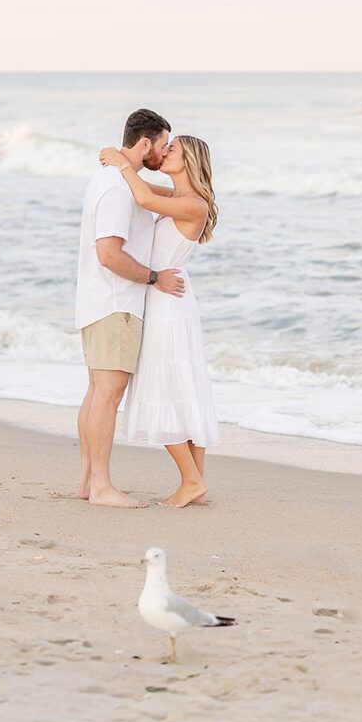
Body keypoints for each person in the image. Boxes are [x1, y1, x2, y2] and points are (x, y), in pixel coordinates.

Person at [99, 135, 219, 507]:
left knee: (164, 387)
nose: (164, 153)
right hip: (170, 298)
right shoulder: (178, 198)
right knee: (181, 387)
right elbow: (146, 190)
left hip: (169, 302)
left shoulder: (193, 204)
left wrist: (121, 163)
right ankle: (195, 481)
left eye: (173, 150)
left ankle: (190, 481)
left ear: (189, 160)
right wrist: (126, 168)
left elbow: (144, 199)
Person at [75, 108, 185, 508]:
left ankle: (90, 481)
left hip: (98, 301)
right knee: (107, 394)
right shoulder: (120, 188)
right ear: (145, 144)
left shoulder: (117, 179)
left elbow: (168, 198)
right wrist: (154, 278)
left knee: (96, 393)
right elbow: (109, 254)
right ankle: (101, 487)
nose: (164, 152)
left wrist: (124, 164)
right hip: (116, 303)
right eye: (162, 145)